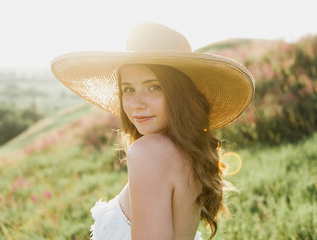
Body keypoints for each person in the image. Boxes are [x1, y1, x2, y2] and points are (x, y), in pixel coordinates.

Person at [51, 22, 255, 240]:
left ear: (179, 93)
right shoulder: (187, 152)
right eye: (128, 89)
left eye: (153, 87)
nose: (137, 104)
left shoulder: (148, 152)